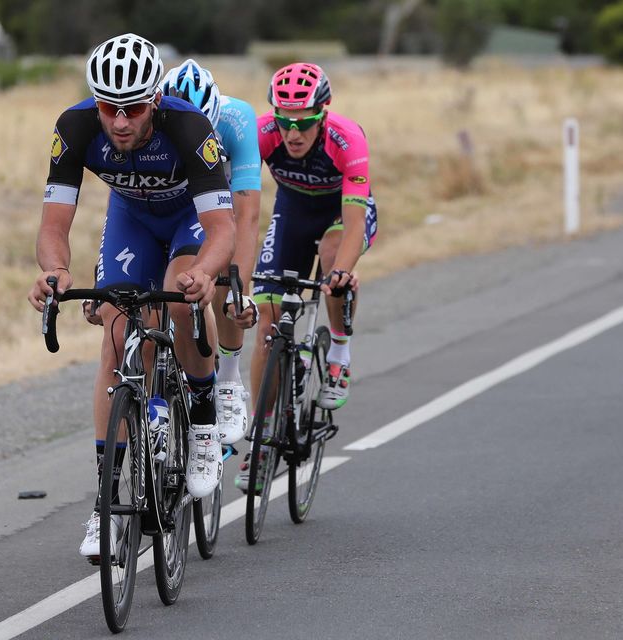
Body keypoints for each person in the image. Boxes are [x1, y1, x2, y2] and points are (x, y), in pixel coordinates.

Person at [27, 34, 236, 558]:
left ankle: (204, 421)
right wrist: (54, 271)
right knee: (116, 333)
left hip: (190, 219)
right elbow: (54, 224)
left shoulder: (190, 128)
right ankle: (104, 501)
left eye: (134, 108)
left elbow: (223, 227)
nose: (120, 121)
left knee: (177, 297)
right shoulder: (74, 127)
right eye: (108, 107)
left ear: (156, 100)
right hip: (133, 220)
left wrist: (208, 272)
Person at [237, 62, 378, 491]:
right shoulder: (261, 134)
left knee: (333, 260)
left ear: (324, 112)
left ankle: (338, 354)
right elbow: (238, 205)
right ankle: (261, 441)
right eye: (285, 122)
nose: (293, 134)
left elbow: (354, 224)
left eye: (304, 122)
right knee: (266, 323)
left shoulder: (346, 138)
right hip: (293, 211)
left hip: (342, 213)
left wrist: (341, 273)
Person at [159, 59, 262, 447]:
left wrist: (241, 289)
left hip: (224, 201)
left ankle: (230, 378)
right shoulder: (152, 120)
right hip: (177, 201)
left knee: (225, 281)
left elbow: (247, 216)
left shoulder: (237, 120)